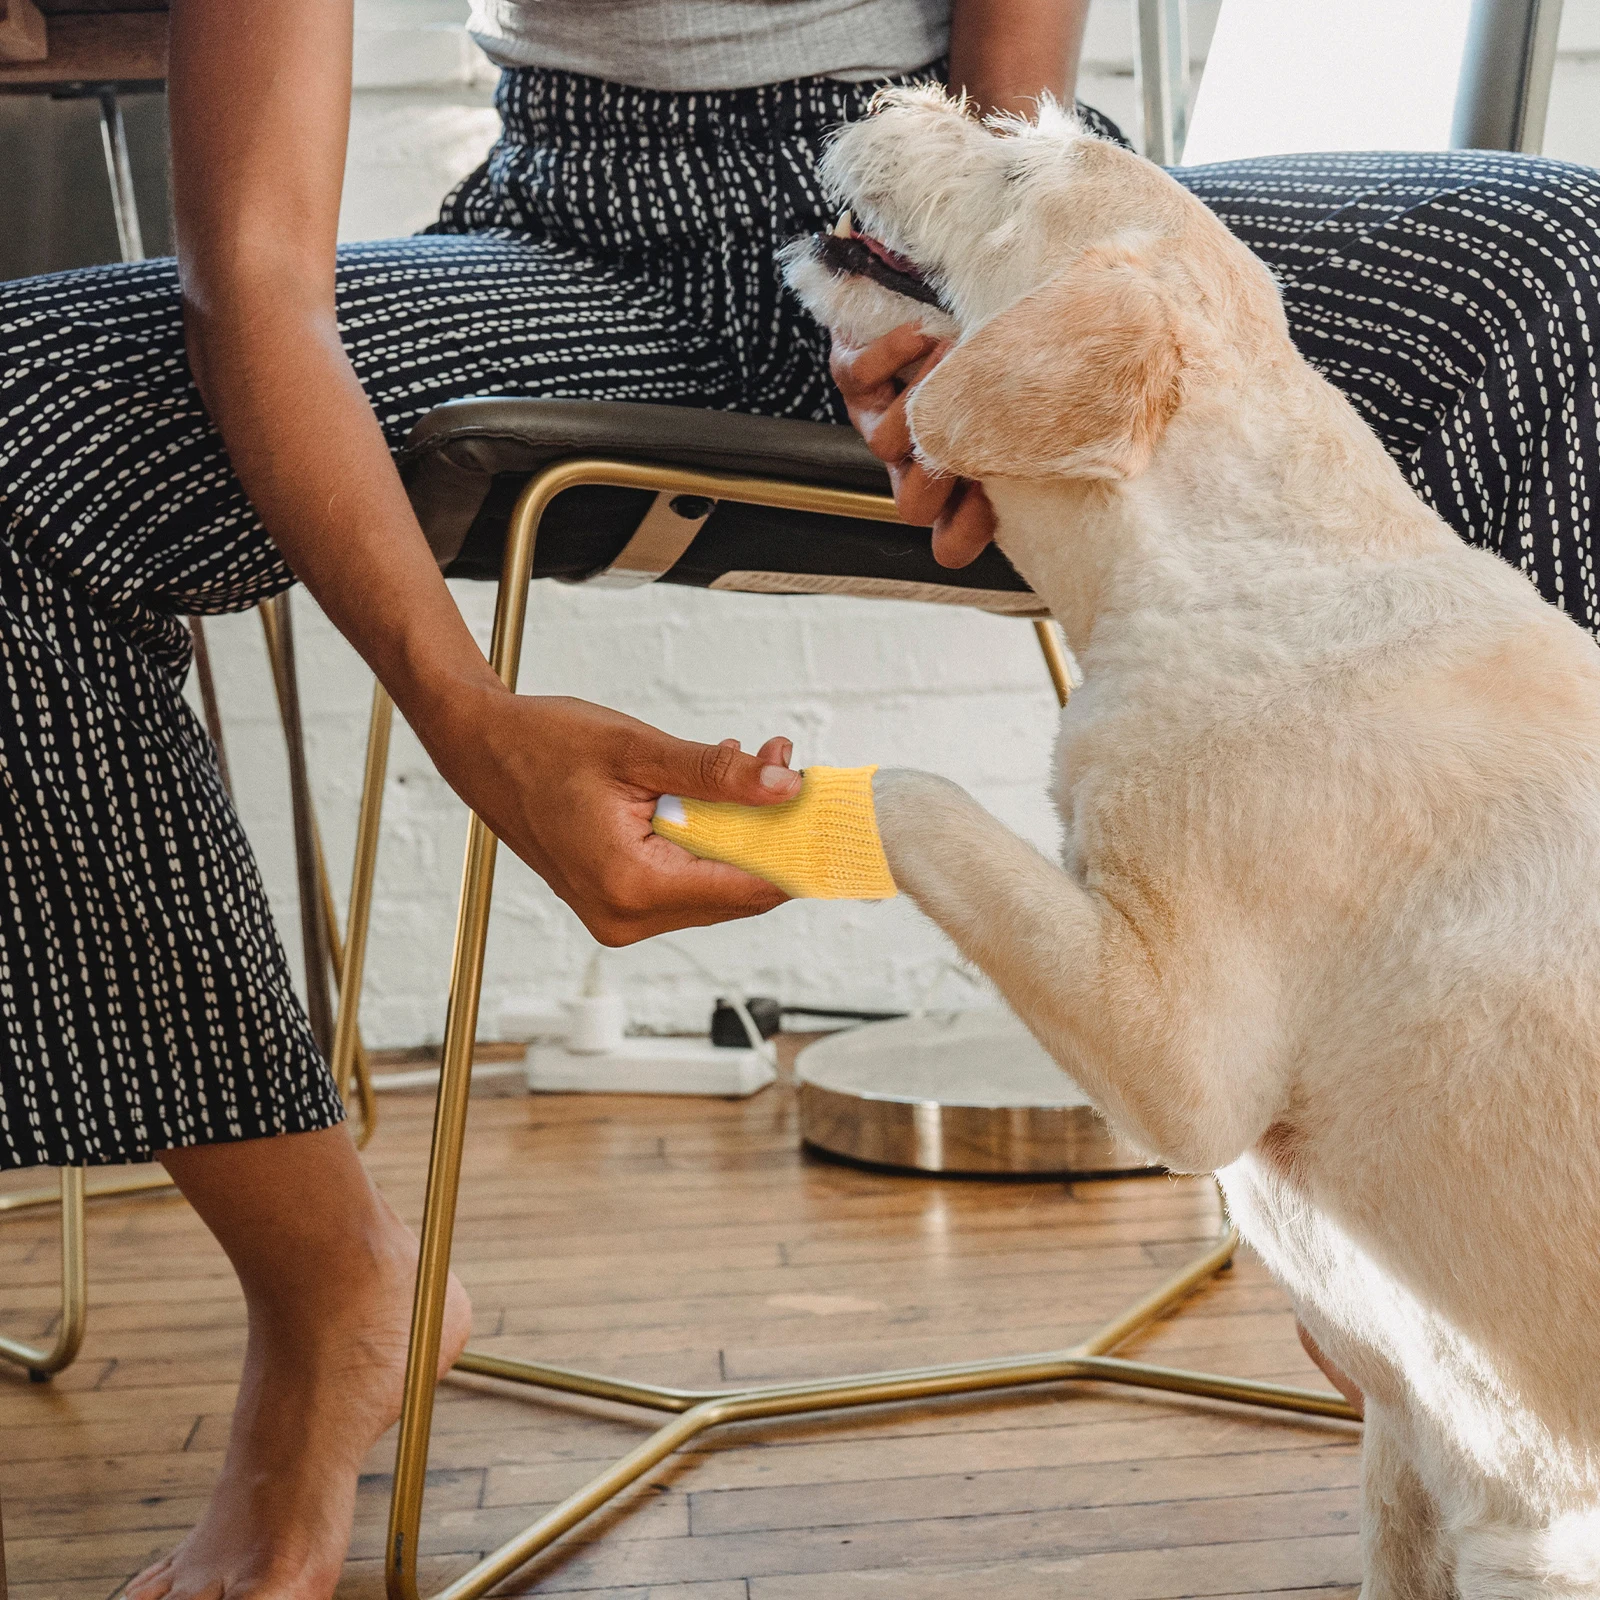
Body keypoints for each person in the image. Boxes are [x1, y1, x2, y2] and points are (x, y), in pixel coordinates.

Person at [0, 0, 1594, 1590]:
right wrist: (470, 723)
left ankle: (1459, 1248)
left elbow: (997, 102)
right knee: (21, 441)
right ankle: (323, 1292)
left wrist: (933, 264)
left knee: (1558, 275)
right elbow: (257, 275)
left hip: (949, 169)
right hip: (586, 240)